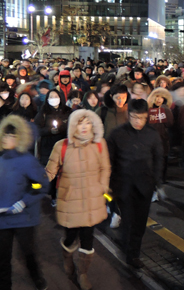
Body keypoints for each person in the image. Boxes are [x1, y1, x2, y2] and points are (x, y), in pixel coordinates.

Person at [45, 110, 110, 290]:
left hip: (92, 200)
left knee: (88, 238)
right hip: (70, 200)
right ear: (74, 125)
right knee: (70, 238)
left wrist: (102, 187)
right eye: (80, 123)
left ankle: (82, 273)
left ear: (93, 125)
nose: (83, 127)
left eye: (87, 123)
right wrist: (38, 180)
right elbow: (50, 171)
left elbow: (105, 168)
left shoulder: (99, 144)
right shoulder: (62, 146)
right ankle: (67, 258)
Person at [107, 99, 163, 269]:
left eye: (142, 118)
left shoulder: (152, 134)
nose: (138, 122)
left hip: (144, 186)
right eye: (134, 117)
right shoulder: (117, 134)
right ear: (128, 115)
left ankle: (134, 251)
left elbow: (159, 159)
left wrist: (157, 181)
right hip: (123, 186)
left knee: (140, 222)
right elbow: (109, 160)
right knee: (128, 220)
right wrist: (110, 185)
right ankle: (129, 252)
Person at [0, 115, 49, 290]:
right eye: (5, 135)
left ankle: (36, 277)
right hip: (2, 219)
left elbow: (41, 185)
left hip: (24, 218)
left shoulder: (27, 161)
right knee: (2, 257)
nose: (7, 139)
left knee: (28, 252)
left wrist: (24, 202)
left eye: (12, 136)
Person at [147, 87, 174, 184]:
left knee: (163, 160)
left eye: (161, 97)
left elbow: (170, 124)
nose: (159, 99)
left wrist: (165, 112)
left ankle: (162, 178)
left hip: (163, 139)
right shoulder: (148, 109)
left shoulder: (166, 109)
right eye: (157, 97)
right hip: (150, 140)